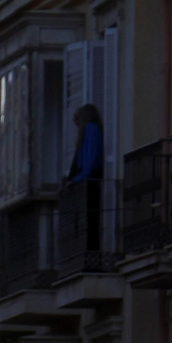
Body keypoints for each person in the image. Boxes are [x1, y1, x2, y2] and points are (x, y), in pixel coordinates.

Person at [65, 104, 105, 252]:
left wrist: (77, 180)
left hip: (90, 181)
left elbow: (90, 161)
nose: (76, 124)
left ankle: (92, 252)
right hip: (87, 179)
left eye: (77, 119)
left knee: (90, 220)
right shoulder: (91, 131)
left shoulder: (91, 129)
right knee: (88, 220)